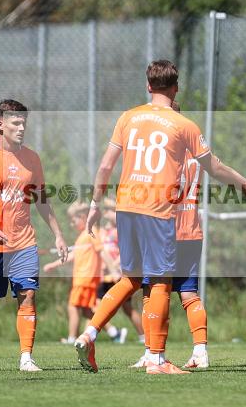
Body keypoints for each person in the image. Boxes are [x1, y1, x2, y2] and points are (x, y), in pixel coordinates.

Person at [74, 59, 246, 375]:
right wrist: (245, 184)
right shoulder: (184, 125)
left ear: (148, 86)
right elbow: (213, 167)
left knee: (131, 278)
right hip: (157, 211)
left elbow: (106, 166)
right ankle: (157, 360)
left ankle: (89, 332)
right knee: (160, 279)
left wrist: (95, 204)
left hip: (125, 207)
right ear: (176, 88)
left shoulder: (128, 117)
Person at [0, 99, 67, 373]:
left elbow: (42, 201)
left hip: (23, 243)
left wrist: (58, 235)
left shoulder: (32, 158)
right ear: (0, 124)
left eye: (24, 122)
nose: (21, 127)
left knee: (28, 295)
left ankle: (26, 358)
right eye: (16, 122)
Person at [134, 100, 210, 370]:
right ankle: (200, 352)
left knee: (152, 292)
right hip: (191, 230)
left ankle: (153, 353)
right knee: (189, 294)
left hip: (163, 230)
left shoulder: (166, 152)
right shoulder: (196, 152)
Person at [44, 202, 102, 344]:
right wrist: (54, 264)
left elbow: (101, 251)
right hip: (82, 278)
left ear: (83, 217)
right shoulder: (83, 235)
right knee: (87, 310)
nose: (71, 224)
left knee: (73, 306)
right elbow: (74, 255)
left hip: (85, 277)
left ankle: (72, 338)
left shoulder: (90, 233)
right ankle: (115, 333)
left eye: (73, 220)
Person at [96, 199, 141, 344]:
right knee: (96, 304)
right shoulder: (103, 231)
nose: (108, 213)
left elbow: (125, 251)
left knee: (127, 308)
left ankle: (143, 336)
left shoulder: (119, 231)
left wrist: (115, 265)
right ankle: (99, 334)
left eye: (111, 210)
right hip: (106, 275)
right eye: (107, 210)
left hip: (117, 273)